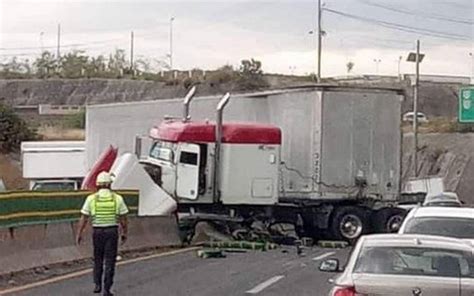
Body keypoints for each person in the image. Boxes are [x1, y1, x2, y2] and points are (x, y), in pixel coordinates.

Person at [76, 171, 129, 296]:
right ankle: (107, 289)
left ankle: (97, 284)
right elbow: (123, 219)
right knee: (110, 261)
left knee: (98, 259)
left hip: (97, 232)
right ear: (110, 184)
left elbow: (84, 218)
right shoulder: (117, 198)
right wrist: (124, 233)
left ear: (97, 184)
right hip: (112, 232)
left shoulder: (91, 199)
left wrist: (79, 233)